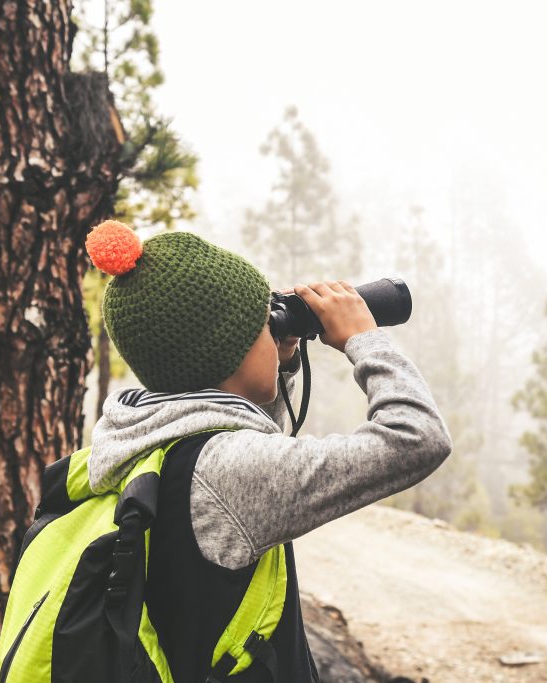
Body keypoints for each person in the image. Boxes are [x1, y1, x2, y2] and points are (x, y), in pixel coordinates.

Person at [85, 220, 452, 682]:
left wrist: (282, 358)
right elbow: (418, 436)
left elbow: (249, 446)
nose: (274, 335)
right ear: (227, 352)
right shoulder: (227, 474)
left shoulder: (144, 437)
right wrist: (364, 338)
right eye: (265, 326)